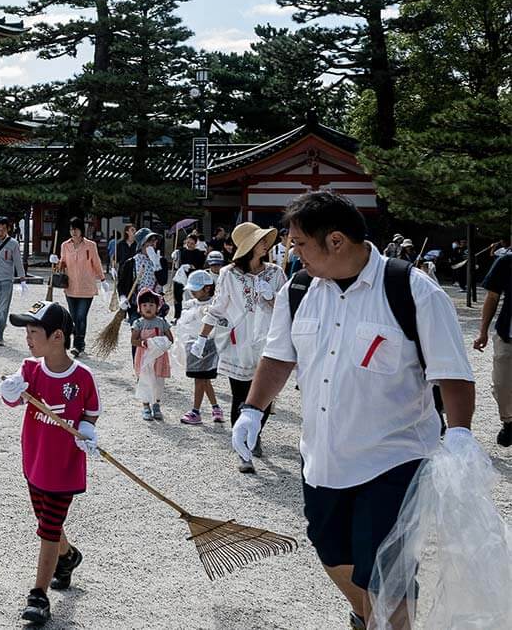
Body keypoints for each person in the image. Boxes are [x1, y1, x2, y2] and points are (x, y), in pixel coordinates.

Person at [235, 190, 477, 630]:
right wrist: (252, 409)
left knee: (389, 574)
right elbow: (279, 355)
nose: (292, 253)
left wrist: (459, 433)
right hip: (324, 457)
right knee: (332, 552)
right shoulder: (299, 289)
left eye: (299, 244)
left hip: (395, 457)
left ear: (337, 241)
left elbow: (454, 372)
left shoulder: (411, 289)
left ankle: (387, 618)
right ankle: (366, 615)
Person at [0, 302, 100, 628]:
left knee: (48, 529)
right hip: (34, 461)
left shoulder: (82, 377)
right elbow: (12, 397)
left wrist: (86, 431)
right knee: (47, 523)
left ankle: (38, 596)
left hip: (64, 469)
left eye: (33, 332)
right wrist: (9, 391)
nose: (27, 338)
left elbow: (91, 413)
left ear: (57, 336)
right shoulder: (29, 368)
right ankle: (68, 557)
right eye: (25, 331)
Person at [199, 221, 284, 473]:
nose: (266, 244)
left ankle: (254, 434)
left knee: (265, 396)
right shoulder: (229, 274)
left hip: (268, 342)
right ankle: (243, 452)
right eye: (260, 241)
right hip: (239, 342)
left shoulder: (276, 273)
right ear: (249, 247)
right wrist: (203, 336)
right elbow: (219, 305)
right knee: (240, 396)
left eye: (266, 240)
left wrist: (272, 297)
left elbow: (289, 307)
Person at [473, 248, 512, 447]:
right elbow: (492, 297)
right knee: (502, 384)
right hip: (508, 335)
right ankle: (509, 420)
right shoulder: (506, 262)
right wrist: (483, 331)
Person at [178, 270, 222, 424]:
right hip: (193, 343)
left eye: (195, 289)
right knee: (204, 379)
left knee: (200, 379)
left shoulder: (214, 305)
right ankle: (216, 408)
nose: (192, 292)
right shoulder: (193, 304)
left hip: (207, 344)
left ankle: (196, 411)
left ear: (207, 288)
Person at [57, 217, 106, 356]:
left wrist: (102, 279)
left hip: (86, 287)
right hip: (71, 286)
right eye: (71, 229)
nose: (74, 232)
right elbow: (63, 263)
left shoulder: (90, 245)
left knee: (81, 316)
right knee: (73, 317)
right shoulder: (65, 245)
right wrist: (57, 262)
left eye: (76, 229)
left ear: (81, 230)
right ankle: (79, 343)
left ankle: (78, 345)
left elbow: (96, 262)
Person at [130, 287, 173, 421]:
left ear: (157, 307)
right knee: (145, 380)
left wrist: (161, 343)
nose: (148, 308)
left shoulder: (162, 322)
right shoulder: (139, 323)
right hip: (144, 357)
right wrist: (144, 343)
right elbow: (133, 340)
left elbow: (171, 339)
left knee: (158, 381)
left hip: (159, 357)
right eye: (144, 305)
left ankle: (156, 405)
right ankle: (146, 406)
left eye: (151, 305)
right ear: (140, 307)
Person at [0, 216, 27, 347]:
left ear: (7, 229)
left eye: (3, 229)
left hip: (6, 280)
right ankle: (0, 325)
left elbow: (18, 262)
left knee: (3, 309)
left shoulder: (13, 243)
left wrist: (22, 278)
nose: (0, 231)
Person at [171, 230, 207, 325]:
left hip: (192, 278)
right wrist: (175, 257)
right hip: (180, 277)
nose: (189, 245)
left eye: (192, 243)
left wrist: (190, 266)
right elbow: (176, 264)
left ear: (195, 244)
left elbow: (199, 266)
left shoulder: (199, 253)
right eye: (188, 242)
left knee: (191, 298)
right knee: (177, 297)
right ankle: (177, 316)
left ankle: (192, 316)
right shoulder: (181, 251)